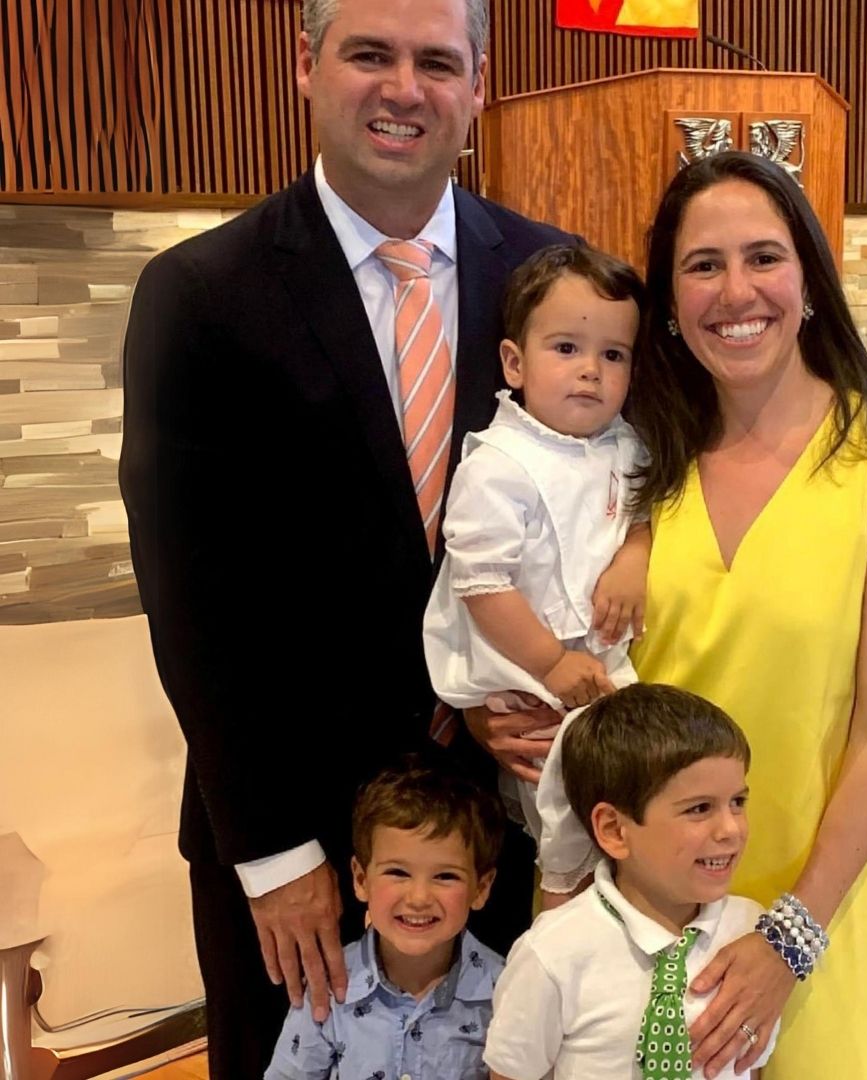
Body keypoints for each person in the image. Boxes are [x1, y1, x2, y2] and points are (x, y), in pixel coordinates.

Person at [118, 0, 570, 1074]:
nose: (403, 89)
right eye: (370, 54)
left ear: (479, 80)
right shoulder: (200, 295)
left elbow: (594, 526)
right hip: (300, 838)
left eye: (435, 61)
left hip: (503, 832)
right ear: (306, 66)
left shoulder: (554, 280)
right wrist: (273, 851)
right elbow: (192, 601)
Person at [626, 151, 867, 1078]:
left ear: (810, 277)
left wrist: (790, 941)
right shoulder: (640, 457)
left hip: (800, 916)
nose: (737, 291)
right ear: (668, 299)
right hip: (633, 921)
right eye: (703, 265)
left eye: (764, 257)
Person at [423, 244, 649, 891]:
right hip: (528, 669)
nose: (591, 372)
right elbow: (482, 584)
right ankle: (560, 935)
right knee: (566, 834)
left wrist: (635, 556)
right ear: (515, 363)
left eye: (613, 355)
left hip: (598, 668)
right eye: (567, 349)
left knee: (621, 821)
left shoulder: (622, 443)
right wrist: (550, 661)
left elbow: (641, 510)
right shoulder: (498, 465)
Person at [484, 683, 779, 1080]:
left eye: (738, 802)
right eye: (699, 808)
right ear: (614, 830)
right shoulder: (553, 952)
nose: (730, 829)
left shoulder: (751, 935)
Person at [264, 756, 505, 1080]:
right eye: (397, 872)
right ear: (361, 879)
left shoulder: (505, 990)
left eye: (446, 876)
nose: (419, 898)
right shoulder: (329, 986)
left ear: (482, 888)